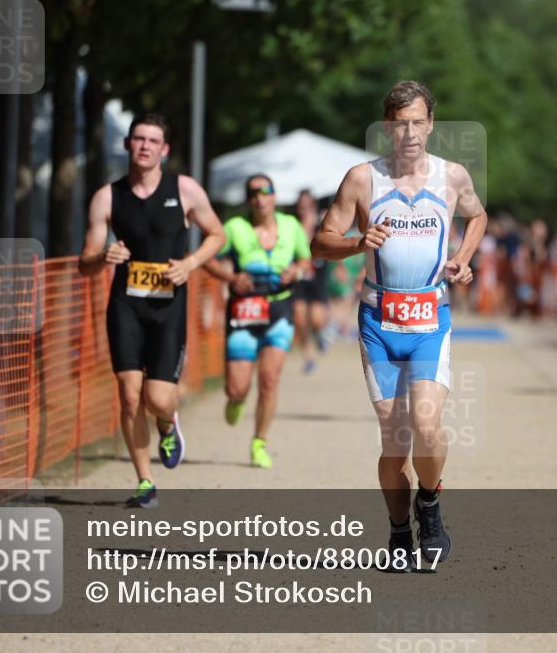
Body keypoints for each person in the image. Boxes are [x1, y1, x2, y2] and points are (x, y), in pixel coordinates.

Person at [311, 80, 487, 569]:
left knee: (427, 427)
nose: (409, 133)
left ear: (431, 124)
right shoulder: (362, 180)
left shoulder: (452, 177)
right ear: (387, 126)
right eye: (399, 124)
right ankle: (397, 531)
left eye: (417, 123)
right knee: (395, 437)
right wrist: (357, 242)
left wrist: (463, 257)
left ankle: (429, 505)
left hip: (430, 317)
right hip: (379, 321)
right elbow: (320, 244)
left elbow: (477, 215)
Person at [78, 112, 224, 508]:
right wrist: (102, 255)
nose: (144, 146)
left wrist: (191, 264)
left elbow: (217, 234)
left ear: (165, 149)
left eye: (152, 141)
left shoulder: (185, 189)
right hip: (126, 304)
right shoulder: (107, 197)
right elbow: (85, 262)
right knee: (128, 396)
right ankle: (145, 481)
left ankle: (166, 421)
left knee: (157, 398)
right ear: (128, 144)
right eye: (138, 139)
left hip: (169, 308)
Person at [204, 174, 311, 469]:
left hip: (280, 310)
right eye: (253, 193)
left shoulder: (291, 227)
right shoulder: (234, 228)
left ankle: (259, 442)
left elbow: (305, 260)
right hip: (244, 312)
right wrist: (231, 277)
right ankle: (236, 400)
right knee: (238, 388)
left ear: (275, 196)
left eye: (266, 192)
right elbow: (208, 257)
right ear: (248, 199)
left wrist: (297, 272)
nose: (260, 198)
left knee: (269, 380)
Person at [292, 190, 331, 374]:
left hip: (317, 276)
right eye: (301, 205)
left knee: (316, 319)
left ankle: (320, 334)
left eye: (307, 205)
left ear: (313, 205)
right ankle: (309, 358)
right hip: (298, 277)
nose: (304, 209)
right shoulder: (293, 225)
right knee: (299, 319)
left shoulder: (321, 222)